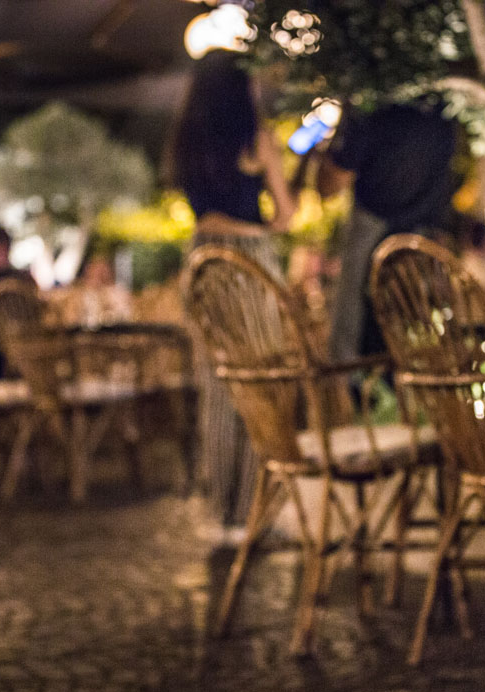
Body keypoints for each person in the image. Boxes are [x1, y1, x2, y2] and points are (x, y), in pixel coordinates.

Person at [174, 50, 297, 531]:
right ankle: (255, 509)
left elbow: (199, 211)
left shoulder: (184, 140)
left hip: (203, 262)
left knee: (218, 384)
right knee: (261, 381)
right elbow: (286, 216)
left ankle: (222, 510)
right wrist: (264, 223)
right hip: (249, 266)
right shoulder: (256, 139)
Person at [317, 102, 458, 361]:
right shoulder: (442, 102)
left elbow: (329, 184)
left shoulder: (368, 100)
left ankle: (350, 388)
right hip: (424, 242)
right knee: (416, 344)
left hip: (373, 232)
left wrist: (322, 153)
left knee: (348, 337)